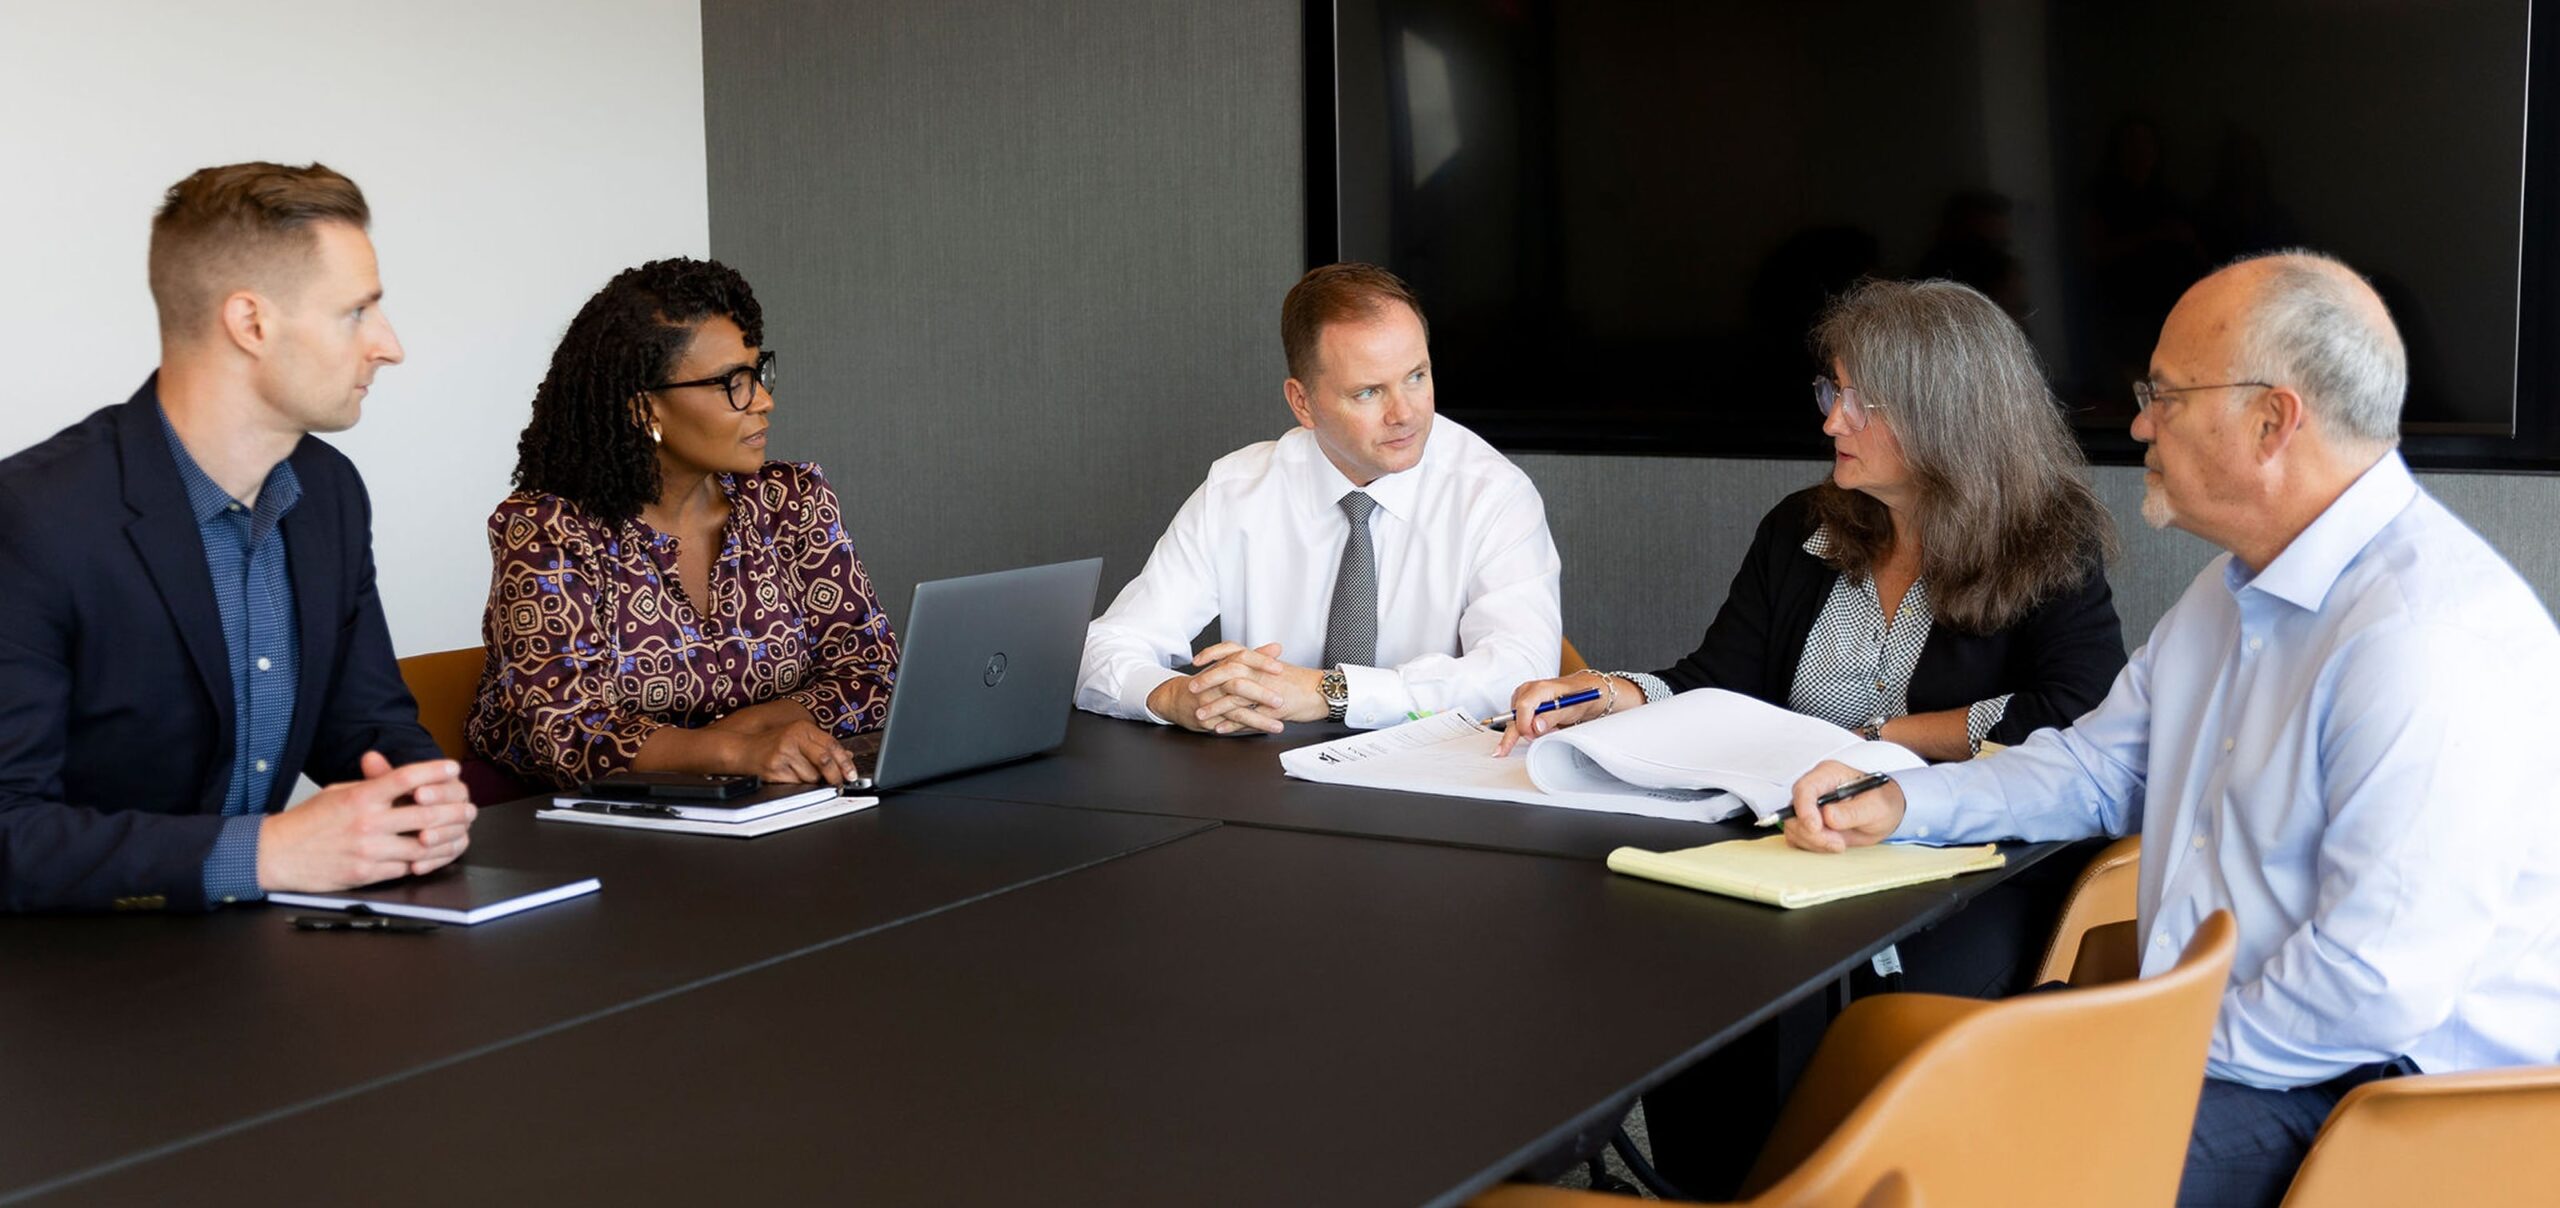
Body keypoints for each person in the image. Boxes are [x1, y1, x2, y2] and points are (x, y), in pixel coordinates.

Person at [1787, 251, 2560, 1208]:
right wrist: (1905, 799)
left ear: (2273, 421)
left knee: (1968, 1171)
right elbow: (2093, 770)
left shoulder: (2424, 638)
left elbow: (2368, 989)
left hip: (2382, 1100)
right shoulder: (2228, 596)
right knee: (1902, 1089)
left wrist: (2139, 1047)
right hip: (2224, 1038)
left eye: (2165, 394)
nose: (2140, 423)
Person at [1496, 278, 2127, 1195]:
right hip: (1790, 835)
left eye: (1859, 402)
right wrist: (1614, 693)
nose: (1833, 420)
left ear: (1944, 414)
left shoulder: (2046, 539)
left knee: (1786, 983)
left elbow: (2074, 713)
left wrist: (1888, 736)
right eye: (1831, 392)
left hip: (1965, 867)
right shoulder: (1804, 529)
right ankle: (1712, 1185)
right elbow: (1717, 681)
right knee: (1671, 943)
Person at [0, 162, 475, 913]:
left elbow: (366, 723)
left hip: (261, 958)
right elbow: (8, 833)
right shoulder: (33, 516)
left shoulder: (331, 494)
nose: (388, 346)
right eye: (357, 312)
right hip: (67, 983)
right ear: (251, 323)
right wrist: (271, 851)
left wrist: (419, 803)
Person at [469, 257, 898, 789]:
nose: (763, 401)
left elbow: (872, 674)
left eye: (756, 372)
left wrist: (744, 740)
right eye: (732, 383)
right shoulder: (550, 530)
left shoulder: (788, 500)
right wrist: (730, 750)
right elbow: (568, 731)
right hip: (591, 827)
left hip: (771, 802)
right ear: (645, 410)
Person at [1076, 262, 1561, 732]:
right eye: (1369, 392)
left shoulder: (1492, 494)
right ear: (1302, 402)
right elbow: (1101, 650)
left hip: (1435, 787)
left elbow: (1519, 674)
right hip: (1268, 784)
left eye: (1416, 376)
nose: (1405, 414)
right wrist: (1176, 697)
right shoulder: (1239, 489)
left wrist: (1329, 692)